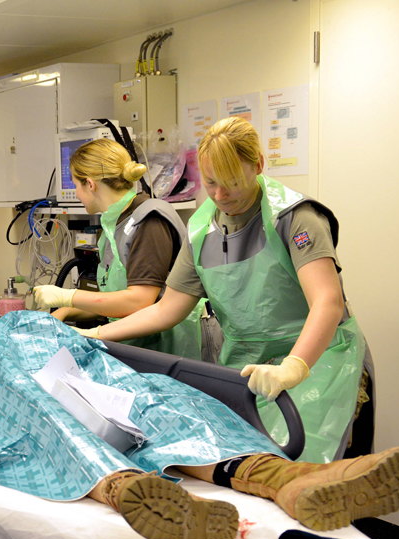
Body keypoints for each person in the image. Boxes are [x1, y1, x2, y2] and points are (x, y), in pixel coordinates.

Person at [0, 312, 399, 539]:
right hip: (6, 380)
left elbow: (85, 350)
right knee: (45, 416)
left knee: (159, 403)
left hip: (76, 364)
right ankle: (131, 488)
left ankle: (283, 476)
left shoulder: (9, 322)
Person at [84, 117, 372, 464]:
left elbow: (327, 302)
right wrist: (95, 334)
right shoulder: (202, 230)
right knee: (245, 468)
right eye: (210, 183)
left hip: (319, 364)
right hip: (249, 371)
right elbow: (165, 311)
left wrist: (293, 367)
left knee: (308, 476)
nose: (220, 196)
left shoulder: (295, 219)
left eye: (232, 183)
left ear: (258, 166)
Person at [31, 138, 219, 361]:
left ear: (90, 184)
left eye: (75, 185)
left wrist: (68, 296)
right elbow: (113, 300)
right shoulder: (115, 224)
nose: (77, 194)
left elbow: (139, 300)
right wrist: (65, 311)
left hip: (174, 346)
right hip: (142, 344)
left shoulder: (149, 221)